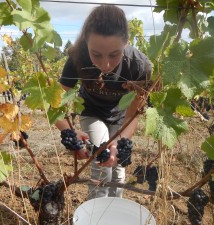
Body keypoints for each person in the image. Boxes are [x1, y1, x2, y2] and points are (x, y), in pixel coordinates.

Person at [55, 4, 152, 199]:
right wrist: (70, 132)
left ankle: (114, 210)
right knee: (102, 162)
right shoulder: (77, 57)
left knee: (118, 170)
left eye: (114, 54)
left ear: (126, 43)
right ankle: (95, 214)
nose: (105, 64)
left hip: (121, 116)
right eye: (96, 54)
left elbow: (133, 114)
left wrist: (120, 139)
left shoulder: (139, 66)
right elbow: (53, 103)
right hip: (92, 111)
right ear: (86, 44)